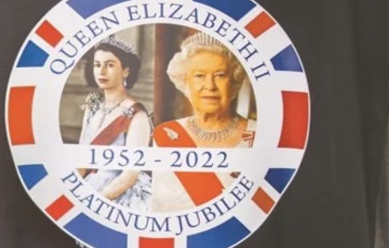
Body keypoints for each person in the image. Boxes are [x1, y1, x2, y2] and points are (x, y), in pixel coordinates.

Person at [151, 31, 256, 212]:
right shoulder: (165, 135)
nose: (210, 86)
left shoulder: (258, 136)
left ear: (234, 82)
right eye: (199, 76)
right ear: (185, 82)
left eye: (220, 75)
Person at [78, 35, 152, 211]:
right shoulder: (92, 106)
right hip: (88, 184)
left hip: (119, 192)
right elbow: (81, 159)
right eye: (97, 65)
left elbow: (129, 176)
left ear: (125, 71)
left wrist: (94, 201)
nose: (101, 71)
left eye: (110, 65)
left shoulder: (137, 116)